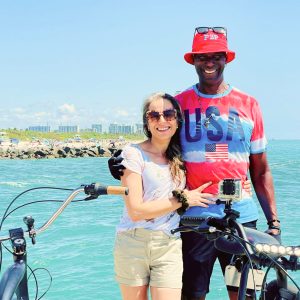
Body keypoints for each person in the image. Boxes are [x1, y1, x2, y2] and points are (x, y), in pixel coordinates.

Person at [109, 26, 281, 300]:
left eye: (216, 55)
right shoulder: (178, 104)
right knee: (192, 294)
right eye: (202, 57)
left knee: (245, 293)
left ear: (226, 58)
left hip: (242, 218)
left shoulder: (250, 104)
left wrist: (274, 223)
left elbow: (260, 170)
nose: (209, 62)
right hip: (193, 220)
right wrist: (122, 163)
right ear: (193, 61)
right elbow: (158, 146)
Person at [114, 92, 215, 300]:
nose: (162, 120)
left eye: (169, 114)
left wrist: (243, 179)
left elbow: (214, 159)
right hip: (133, 241)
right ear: (147, 122)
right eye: (154, 115)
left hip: (169, 243)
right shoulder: (132, 154)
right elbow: (136, 211)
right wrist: (184, 199)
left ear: (178, 120)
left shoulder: (181, 157)